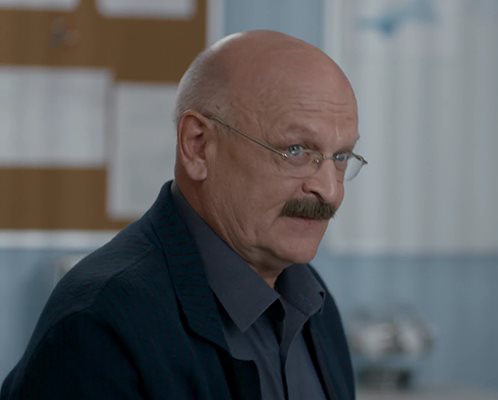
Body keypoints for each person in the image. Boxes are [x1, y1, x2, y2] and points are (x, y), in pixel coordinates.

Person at [1, 30, 367, 399]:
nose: (330, 191)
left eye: (340, 157)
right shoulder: (99, 327)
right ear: (197, 146)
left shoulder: (312, 302)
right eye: (296, 150)